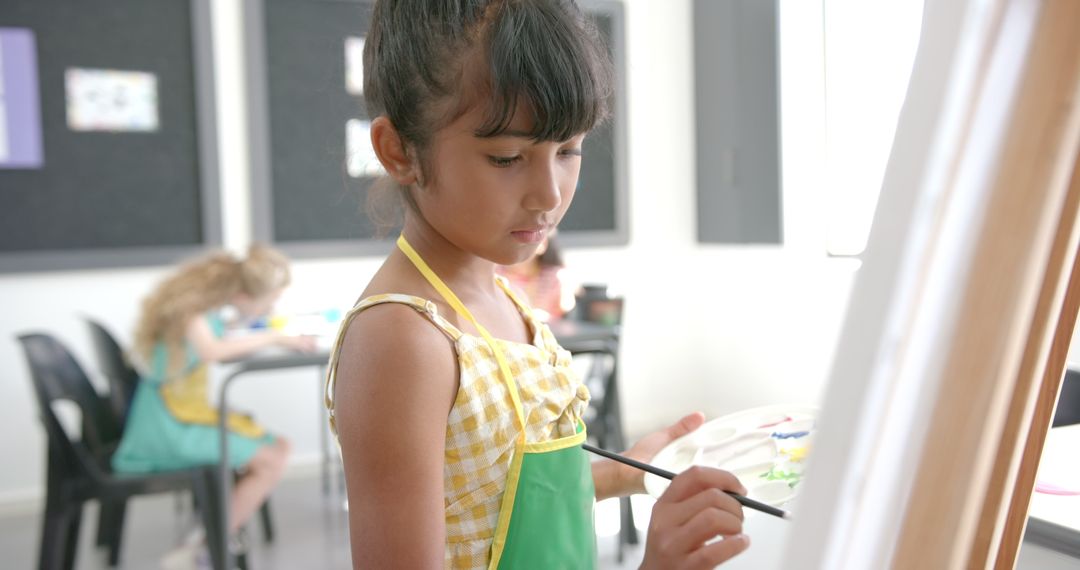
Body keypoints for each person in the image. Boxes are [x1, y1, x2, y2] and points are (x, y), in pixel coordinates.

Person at [325, 1, 750, 568]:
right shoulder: (403, 339)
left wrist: (619, 473)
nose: (549, 193)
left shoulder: (497, 294)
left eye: (569, 150)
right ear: (400, 152)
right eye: (506, 158)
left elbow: (484, 504)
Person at [112, 244, 315, 567]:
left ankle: (209, 535)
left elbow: (216, 340)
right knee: (273, 457)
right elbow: (212, 351)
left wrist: (265, 331)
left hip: (172, 415)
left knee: (276, 446)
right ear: (244, 296)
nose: (270, 307)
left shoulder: (200, 305)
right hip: (168, 427)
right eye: (271, 300)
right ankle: (206, 546)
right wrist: (275, 338)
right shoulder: (192, 310)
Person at [496, 232, 574, 321]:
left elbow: (565, 316)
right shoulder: (495, 274)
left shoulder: (557, 277)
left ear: (543, 243)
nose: (520, 245)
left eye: (528, 236)